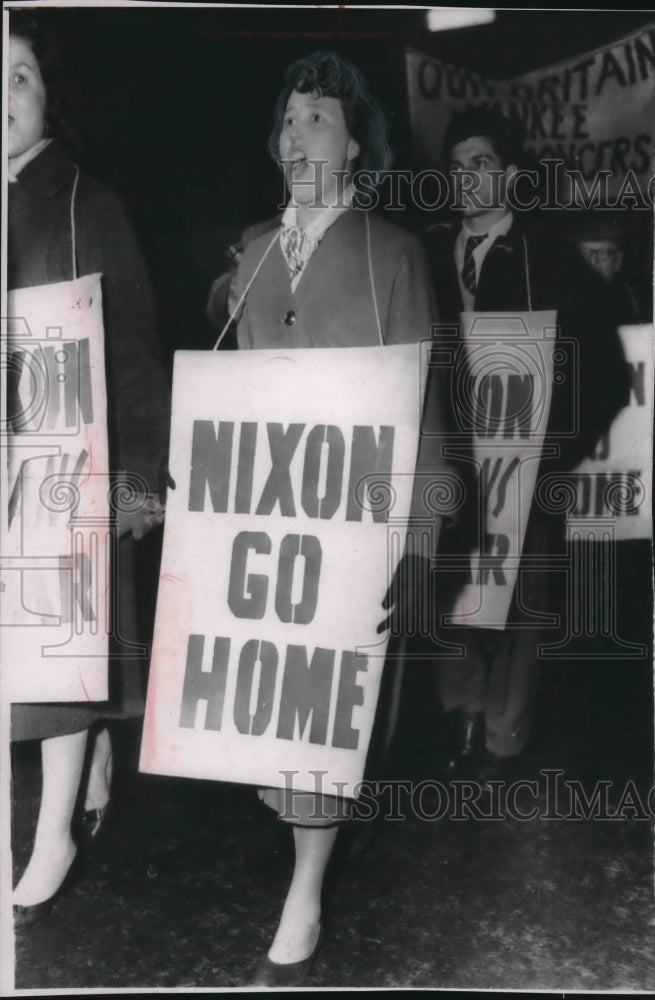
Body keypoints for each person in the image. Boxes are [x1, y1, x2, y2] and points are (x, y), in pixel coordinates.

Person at [223, 51, 447, 986]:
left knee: (328, 728)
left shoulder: (390, 252)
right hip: (262, 527)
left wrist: (420, 544)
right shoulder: (251, 248)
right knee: (270, 715)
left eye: (317, 118)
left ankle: (307, 885)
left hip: (354, 528)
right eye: (287, 118)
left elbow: (430, 409)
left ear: (356, 143)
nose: (295, 133)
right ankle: (298, 854)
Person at [7, 14, 170, 924]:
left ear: (49, 97)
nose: (2, 97)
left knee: (56, 654)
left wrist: (143, 476)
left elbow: (138, 352)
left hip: (66, 470)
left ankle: (53, 830)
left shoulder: (88, 203)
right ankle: (88, 764)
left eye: (20, 77)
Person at [424, 108, 630, 782]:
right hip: (450, 461)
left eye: (480, 163)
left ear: (509, 176)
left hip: (526, 461)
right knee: (447, 590)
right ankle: (461, 710)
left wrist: (554, 454)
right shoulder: (424, 253)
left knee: (519, 605)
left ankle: (503, 736)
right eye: (457, 166)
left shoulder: (548, 258)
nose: (466, 177)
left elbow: (602, 370)